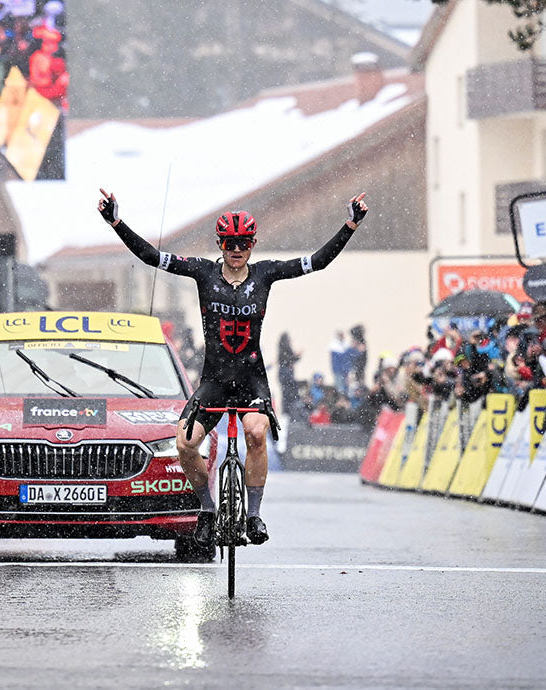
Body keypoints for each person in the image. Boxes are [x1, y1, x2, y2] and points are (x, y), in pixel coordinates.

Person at [98, 187, 369, 547]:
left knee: (256, 435)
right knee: (185, 444)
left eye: (243, 242)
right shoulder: (203, 273)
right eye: (229, 242)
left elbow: (317, 261)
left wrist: (350, 224)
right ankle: (208, 509)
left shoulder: (267, 273)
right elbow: (151, 256)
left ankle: (254, 515)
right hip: (213, 379)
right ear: (220, 244)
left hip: (251, 379)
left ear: (253, 243)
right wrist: (116, 221)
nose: (236, 249)